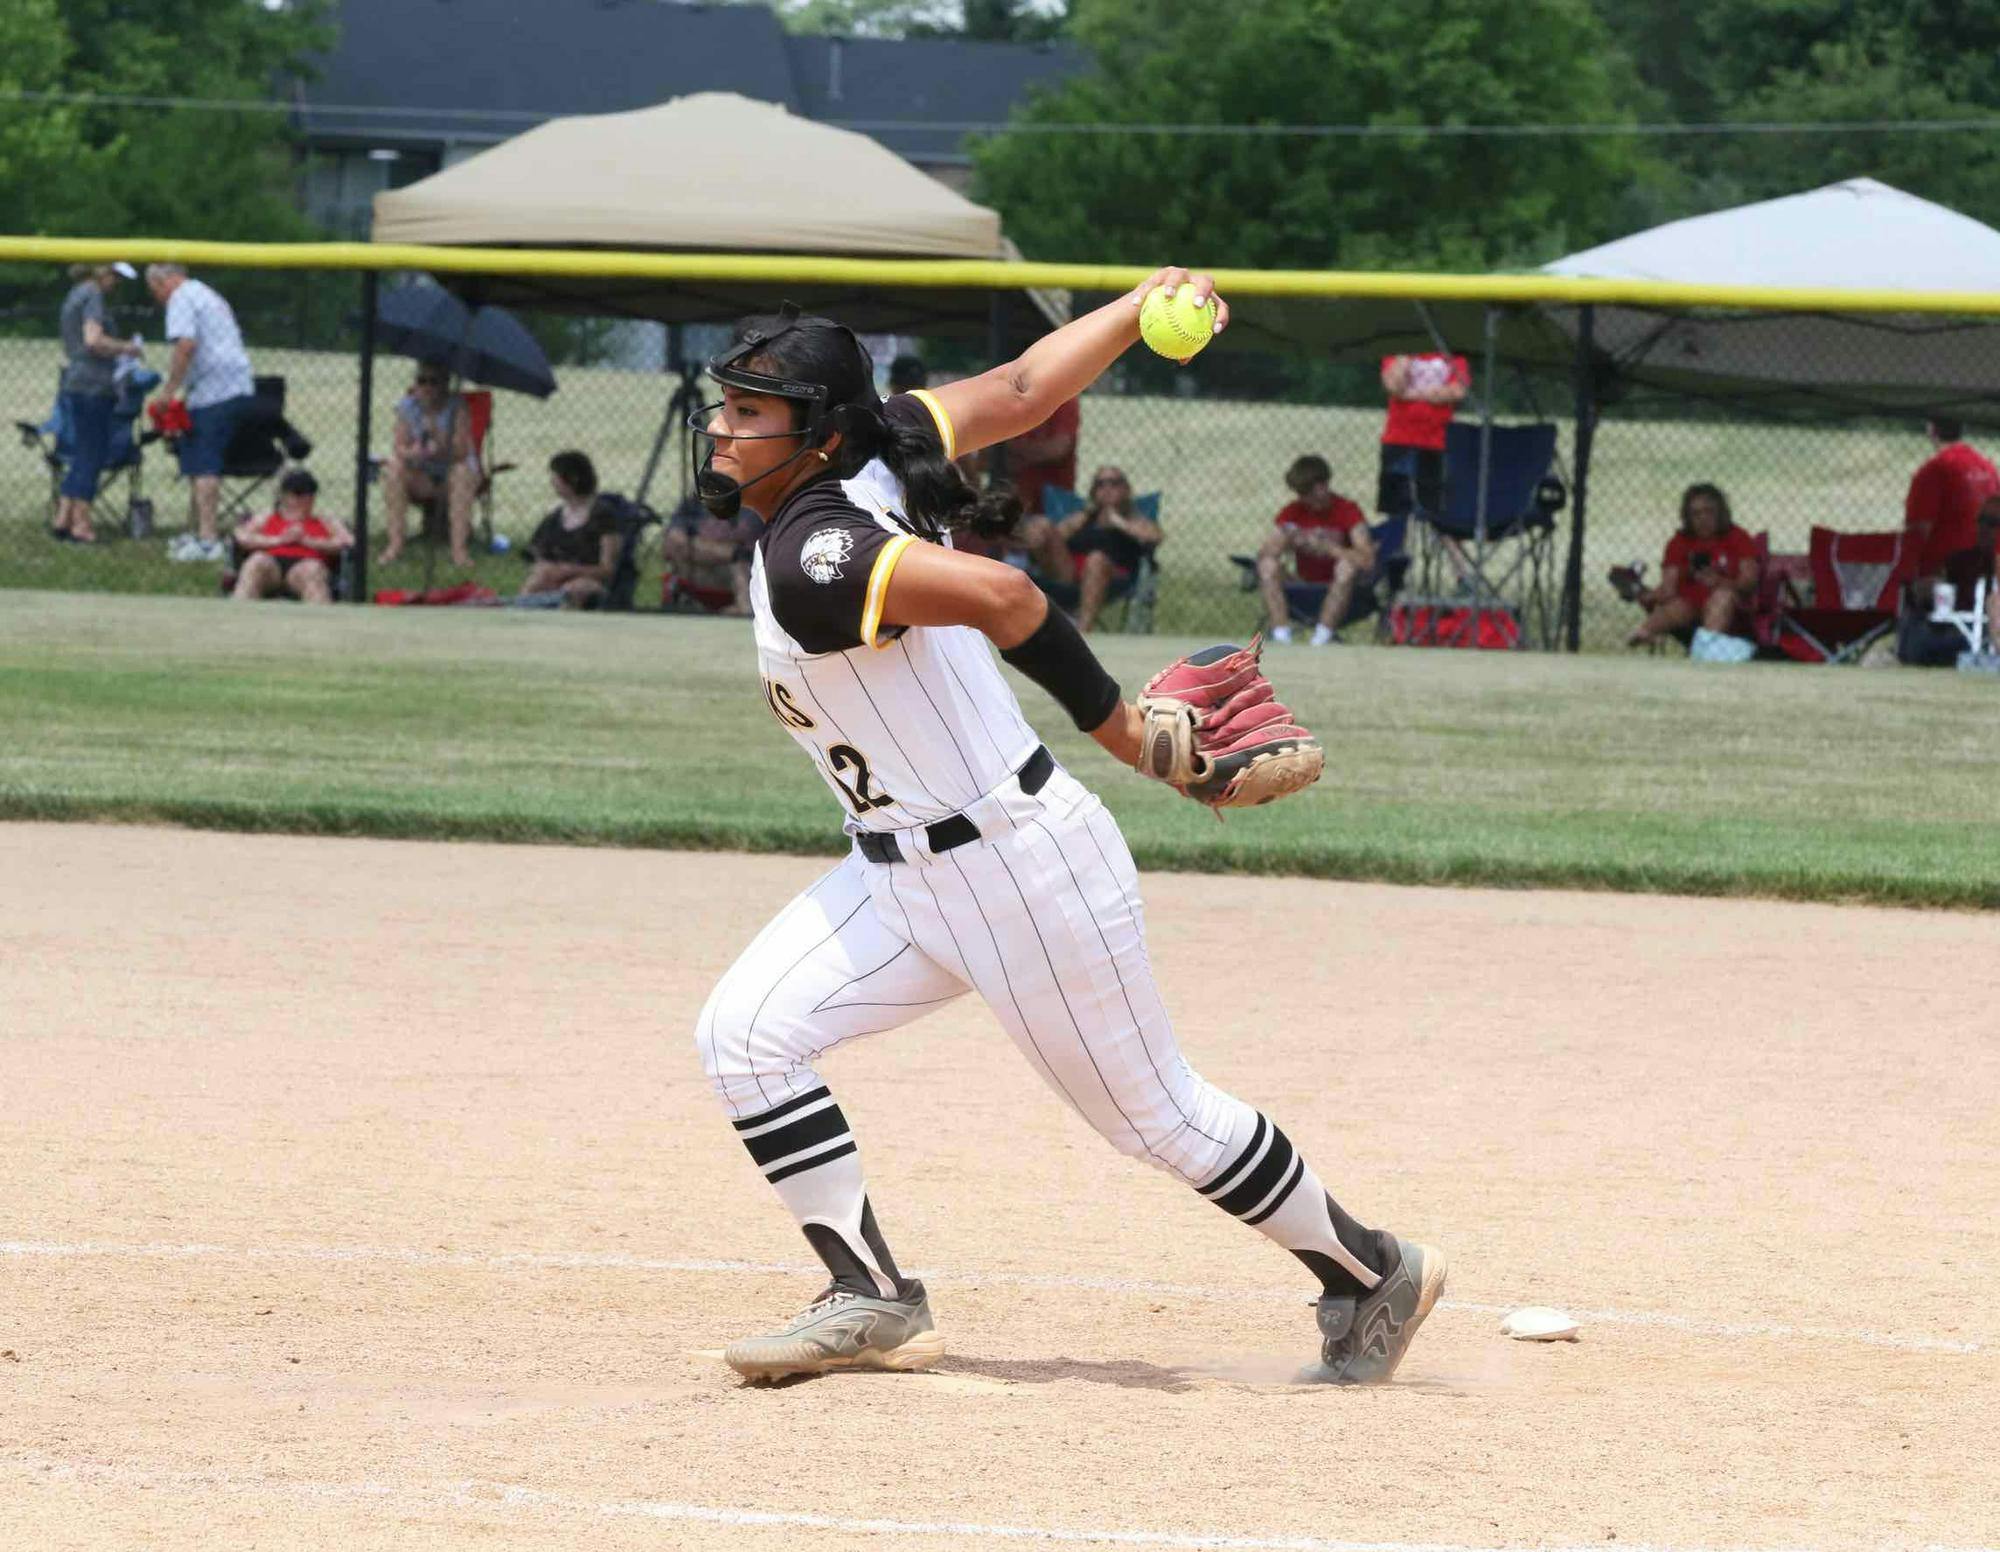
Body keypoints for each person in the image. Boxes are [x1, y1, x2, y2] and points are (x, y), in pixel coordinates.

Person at [691, 271, 1444, 1389]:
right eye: (727, 405)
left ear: (820, 433)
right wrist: (1137, 307)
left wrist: (1127, 735)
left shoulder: (816, 554)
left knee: (1159, 1121)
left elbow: (1011, 600)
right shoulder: (883, 444)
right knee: (744, 1035)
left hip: (1017, 869)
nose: (724, 429)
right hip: (896, 876)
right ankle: (870, 1295)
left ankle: (1369, 1270)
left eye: (752, 412)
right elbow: (1021, 388)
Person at [146, 264, 256, 564]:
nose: (158, 298)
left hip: (215, 392)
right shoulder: (206, 293)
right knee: (196, 460)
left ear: (164, 281)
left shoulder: (181, 298)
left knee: (205, 464)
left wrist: (169, 391)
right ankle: (198, 533)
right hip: (230, 386)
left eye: (155, 290)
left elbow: (186, 345)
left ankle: (208, 541)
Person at [54, 262, 145, 545]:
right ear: (101, 272)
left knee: (82, 451)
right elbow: (93, 340)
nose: (116, 283)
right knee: (92, 454)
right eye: (114, 276)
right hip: (94, 384)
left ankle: (63, 517)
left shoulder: (74, 294)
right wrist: (127, 348)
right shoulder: (93, 295)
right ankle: (81, 523)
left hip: (77, 381)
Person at [1012, 465, 1162, 633]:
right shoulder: (1083, 517)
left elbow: (1155, 536)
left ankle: (1082, 631)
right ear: (1093, 491)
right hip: (1068, 573)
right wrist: (1079, 520)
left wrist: (1118, 522)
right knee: (1042, 524)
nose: (1107, 488)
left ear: (1126, 489)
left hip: (1112, 576)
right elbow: (1054, 538)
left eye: (1114, 483)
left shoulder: (1134, 518)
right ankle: (1014, 566)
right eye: (1100, 484)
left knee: (1095, 559)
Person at [1622, 483, 1761, 648]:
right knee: (1678, 606)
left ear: (1720, 513)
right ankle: (1645, 632)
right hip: (1690, 604)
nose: (1703, 518)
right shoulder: (1679, 542)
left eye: (1709, 511)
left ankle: (1707, 646)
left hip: (1731, 606)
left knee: (1721, 598)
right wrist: (1643, 594)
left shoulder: (1737, 537)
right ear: (1688, 517)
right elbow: (1668, 589)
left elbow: (1750, 581)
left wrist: (1720, 581)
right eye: (1696, 514)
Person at [1257, 455, 1376, 645]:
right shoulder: (1293, 512)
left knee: (1346, 567)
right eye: (1301, 494)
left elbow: (1367, 560)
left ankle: (1322, 636)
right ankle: (1281, 635)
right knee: (1268, 565)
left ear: (1324, 485)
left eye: (1309, 492)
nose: (1306, 499)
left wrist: (1329, 548)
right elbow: (1263, 555)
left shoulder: (1347, 510)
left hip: (1344, 590)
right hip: (1303, 585)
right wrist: (1285, 542)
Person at [378, 363, 480, 569]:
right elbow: (399, 447)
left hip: (452, 474)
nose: (427, 387)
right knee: (394, 469)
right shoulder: (407, 406)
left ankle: (459, 552)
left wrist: (437, 435)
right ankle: (395, 546)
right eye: (421, 381)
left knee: (461, 473)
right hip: (421, 472)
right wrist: (413, 453)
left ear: (445, 385)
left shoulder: (457, 407)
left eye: (433, 382)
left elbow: (461, 452)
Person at [1903, 417, 2000, 609]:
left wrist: (1908, 575)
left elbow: (1918, 530)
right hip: (1983, 573)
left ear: (1932, 430)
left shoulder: (1934, 470)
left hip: (1941, 576)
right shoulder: (1987, 469)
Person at [229, 469, 352, 604]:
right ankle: (239, 609)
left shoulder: (326, 521)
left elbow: (347, 542)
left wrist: (308, 541)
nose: (304, 500)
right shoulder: (267, 517)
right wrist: (279, 540)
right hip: (271, 565)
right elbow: (241, 536)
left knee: (312, 570)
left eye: (309, 494)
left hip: (306, 565)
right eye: (297, 494)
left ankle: (320, 614)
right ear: (284, 496)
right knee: (256, 562)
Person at [520, 451, 620, 609]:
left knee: (573, 589)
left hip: (591, 581)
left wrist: (568, 571)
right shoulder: (554, 519)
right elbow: (536, 557)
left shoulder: (603, 516)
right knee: (536, 582)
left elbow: (607, 569)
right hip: (556, 578)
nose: (552, 482)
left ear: (573, 479)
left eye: (556, 477)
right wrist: (545, 569)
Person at [661, 497, 757, 615]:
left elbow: (756, 553)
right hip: (699, 570)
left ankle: (745, 614)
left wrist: (704, 547)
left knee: (740, 566)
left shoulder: (755, 505)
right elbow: (674, 542)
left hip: (745, 574)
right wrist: (732, 552)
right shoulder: (694, 505)